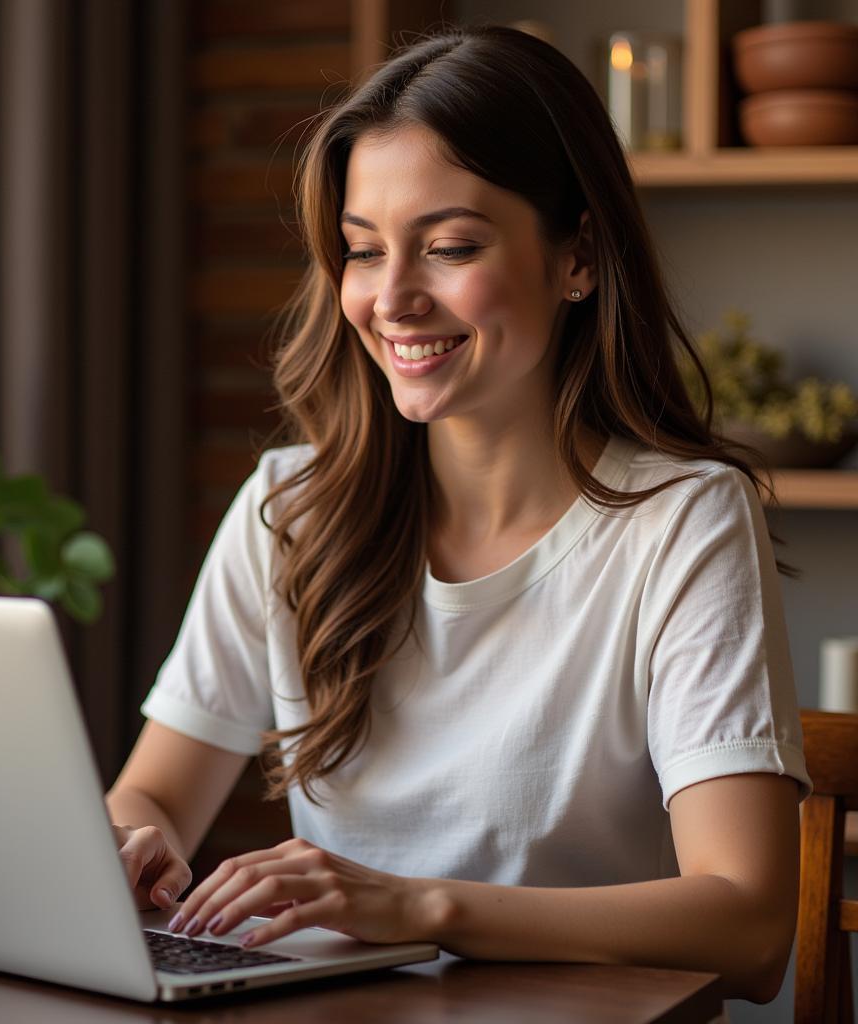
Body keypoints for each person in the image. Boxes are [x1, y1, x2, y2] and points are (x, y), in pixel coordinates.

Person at [104, 26, 811, 1004]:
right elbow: (154, 792)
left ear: (578, 255)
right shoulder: (289, 507)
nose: (390, 298)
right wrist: (132, 838)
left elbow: (749, 923)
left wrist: (423, 908)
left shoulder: (680, 522)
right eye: (360, 251)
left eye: (447, 248)